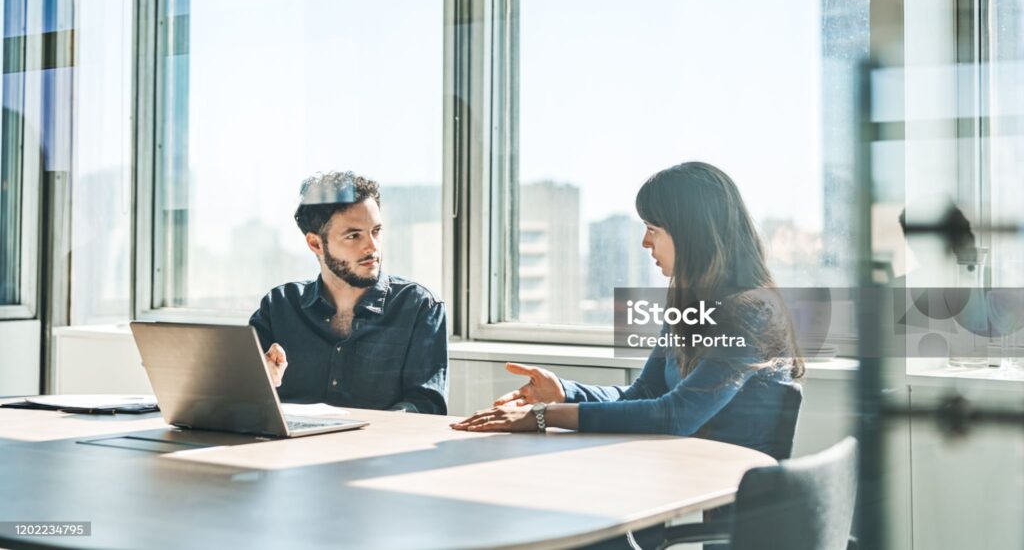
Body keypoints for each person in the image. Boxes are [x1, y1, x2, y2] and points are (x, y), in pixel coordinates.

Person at [452, 161, 803, 452]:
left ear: (692, 235)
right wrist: (566, 392)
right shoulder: (691, 303)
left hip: (734, 500)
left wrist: (547, 415)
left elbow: (677, 415)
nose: (645, 241)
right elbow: (646, 393)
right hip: (681, 475)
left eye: (653, 229)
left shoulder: (753, 312)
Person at [250, 171, 447, 414]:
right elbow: (236, 392)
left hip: (375, 448)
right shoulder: (278, 306)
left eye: (376, 231)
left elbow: (427, 405)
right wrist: (259, 379)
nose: (372, 247)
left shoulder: (419, 307)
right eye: (354, 235)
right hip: (288, 449)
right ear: (315, 244)